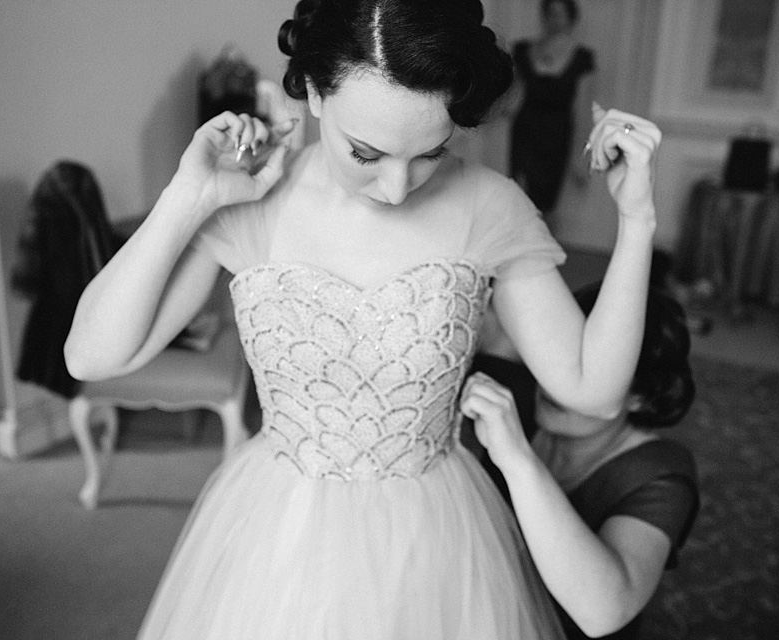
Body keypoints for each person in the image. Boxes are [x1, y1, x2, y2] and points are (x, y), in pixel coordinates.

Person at [63, 1, 662, 637]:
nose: (398, 189)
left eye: (430, 154)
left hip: (436, 539)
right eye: (367, 153)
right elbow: (91, 357)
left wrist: (637, 220)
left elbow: (593, 393)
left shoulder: (490, 207)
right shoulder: (253, 201)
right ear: (315, 92)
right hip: (277, 534)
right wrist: (189, 198)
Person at [461, 282, 700, 639]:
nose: (557, 383)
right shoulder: (518, 389)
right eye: (562, 356)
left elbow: (605, 611)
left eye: (591, 368)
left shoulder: (660, 474)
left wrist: (519, 461)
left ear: (640, 396)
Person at [508, 0, 596, 219]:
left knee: (546, 202)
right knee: (518, 196)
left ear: (571, 18)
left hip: (557, 134)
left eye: (561, 14)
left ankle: (542, 250)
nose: (555, 20)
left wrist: (581, 154)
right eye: (551, 14)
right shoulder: (524, 50)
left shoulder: (582, 57)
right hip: (526, 129)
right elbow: (512, 95)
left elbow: (583, 107)